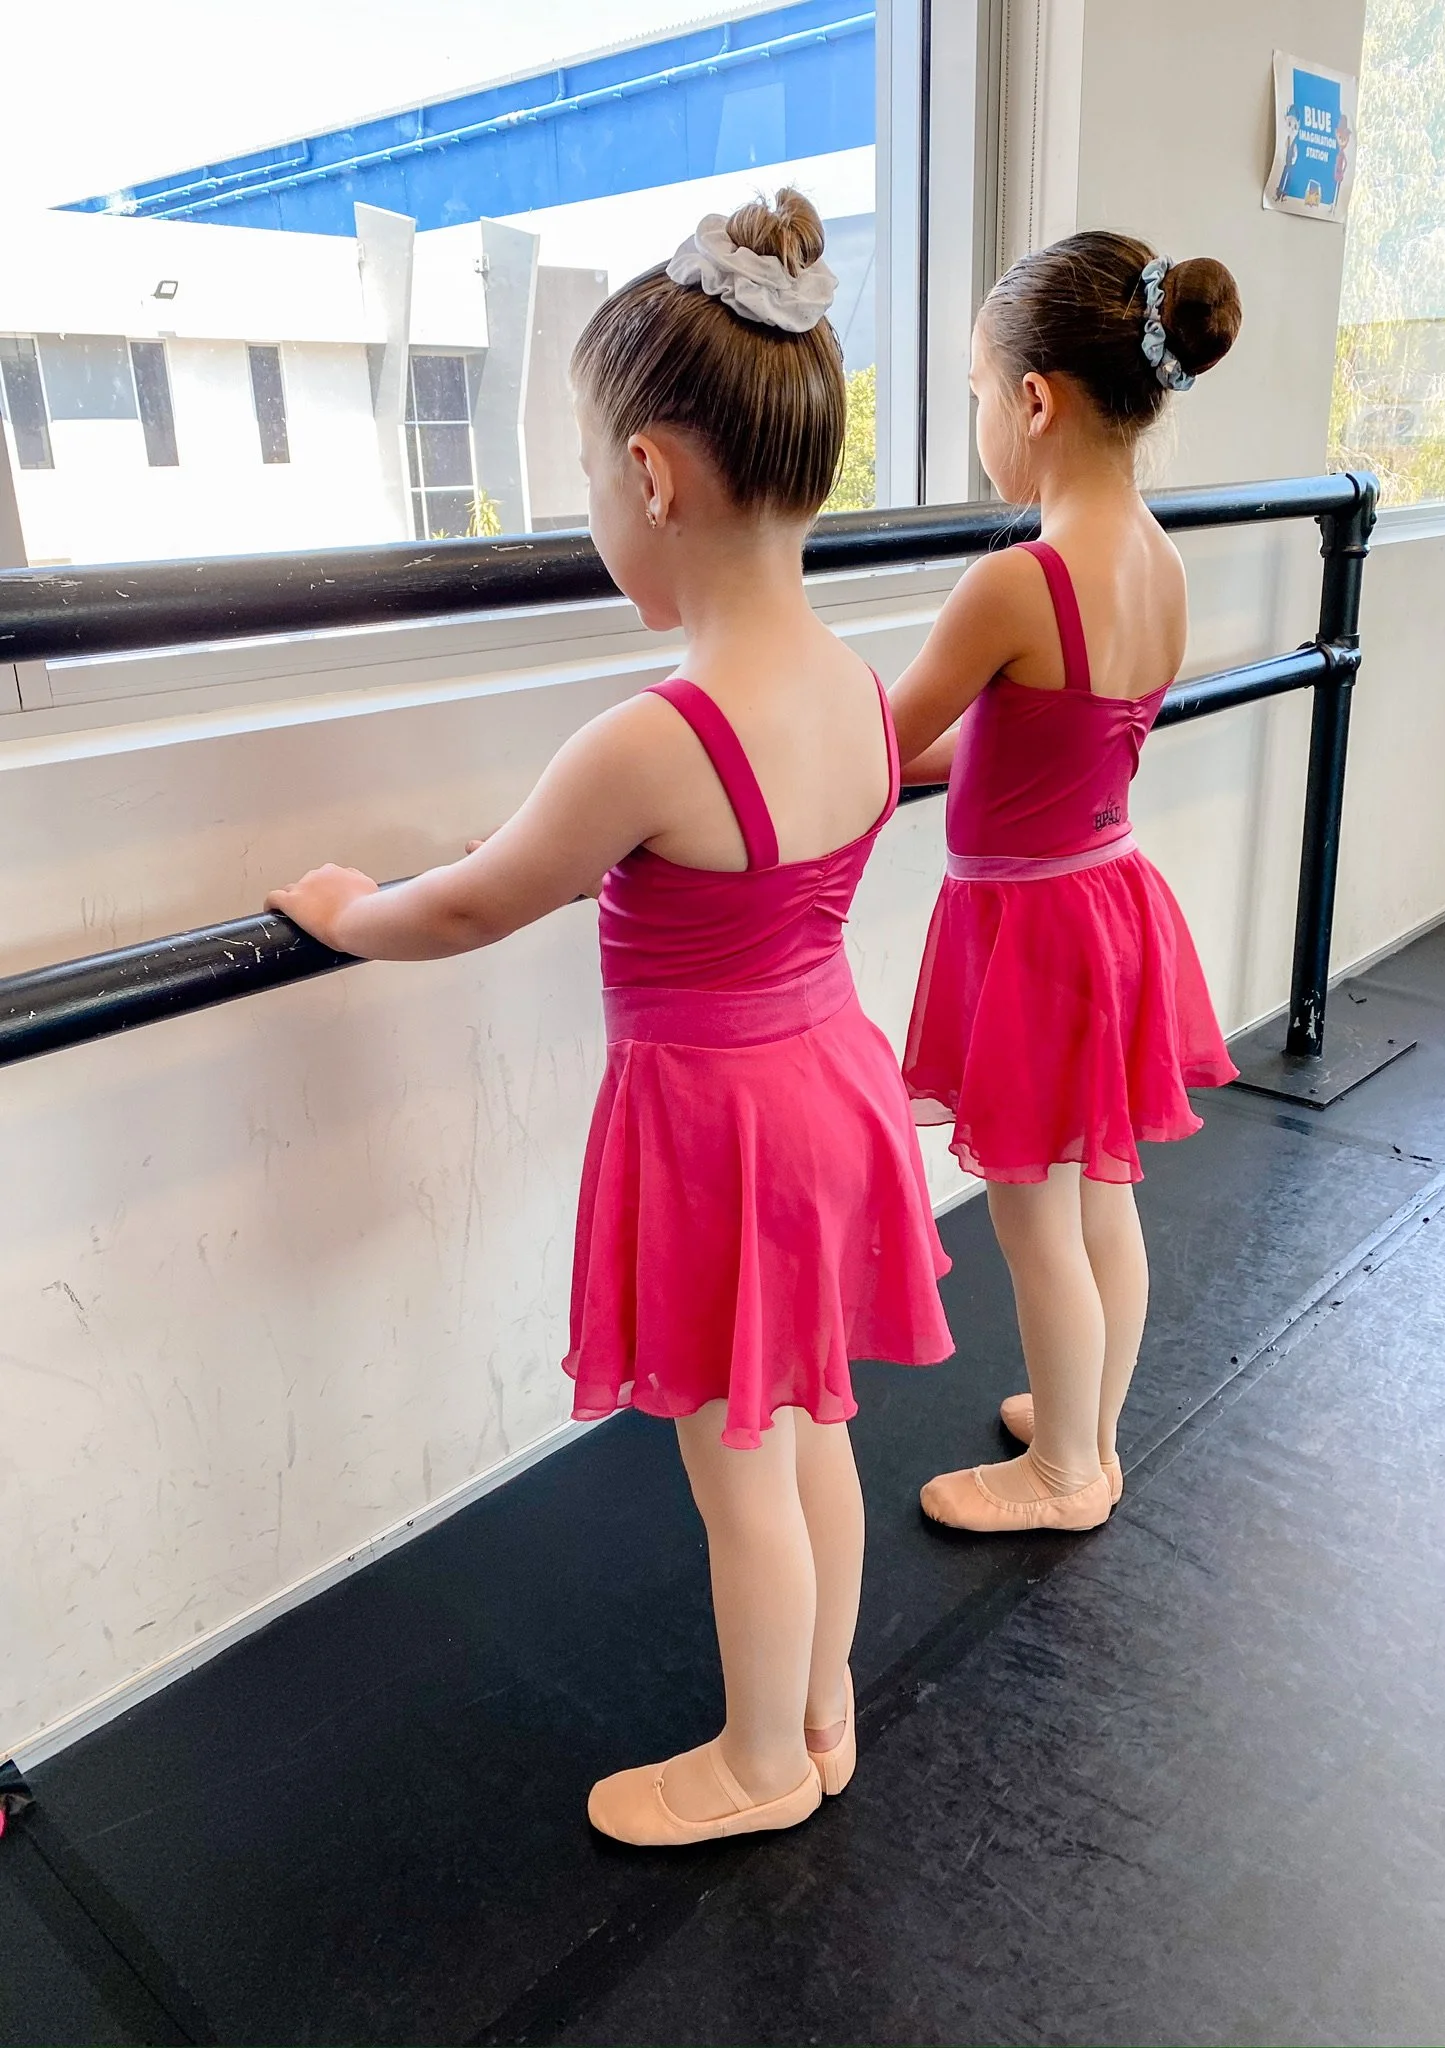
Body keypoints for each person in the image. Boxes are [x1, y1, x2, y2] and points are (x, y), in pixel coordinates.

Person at [268, 190, 953, 1845]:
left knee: (735, 1466)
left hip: (722, 1124)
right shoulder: (864, 687)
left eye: (585, 474)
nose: (590, 507)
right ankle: (823, 1701)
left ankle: (759, 1765)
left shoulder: (654, 739)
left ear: (650, 474)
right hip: (832, 1085)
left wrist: (344, 909)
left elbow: (477, 899)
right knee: (815, 1426)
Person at [890, 233, 1241, 1536]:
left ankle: (1062, 1477)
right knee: (1103, 1194)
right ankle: (1087, 1425)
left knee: (1033, 1215)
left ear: (1034, 398)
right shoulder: (1156, 558)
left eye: (978, 392)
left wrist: (743, 771)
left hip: (1031, 928)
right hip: (1112, 902)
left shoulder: (1016, 584)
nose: (981, 416)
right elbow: (1022, 745)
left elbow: (881, 742)